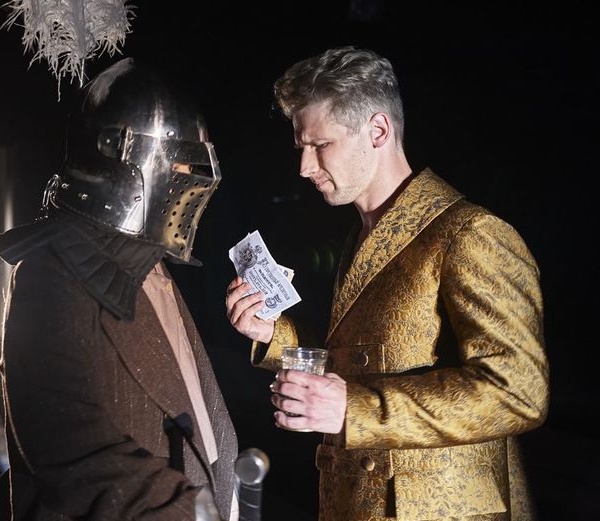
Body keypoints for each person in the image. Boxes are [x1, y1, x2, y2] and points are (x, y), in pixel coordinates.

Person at [225, 46, 549, 521]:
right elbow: (362, 361)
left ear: (378, 131)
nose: (305, 167)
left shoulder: (470, 233)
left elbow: (518, 392)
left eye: (321, 145)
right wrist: (273, 334)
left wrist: (353, 410)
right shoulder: (363, 237)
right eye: (301, 148)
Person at [0, 58, 238, 521]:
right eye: (179, 161)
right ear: (122, 156)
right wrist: (187, 510)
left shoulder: (147, 263)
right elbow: (69, 446)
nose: (192, 180)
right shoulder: (50, 274)